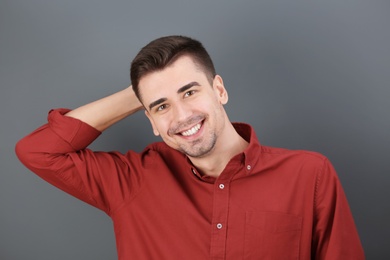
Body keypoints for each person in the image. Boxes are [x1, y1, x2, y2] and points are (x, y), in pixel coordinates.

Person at [15, 35, 365, 259]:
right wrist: (138, 93)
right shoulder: (131, 181)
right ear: (150, 121)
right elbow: (38, 151)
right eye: (161, 106)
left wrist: (155, 94)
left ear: (220, 91)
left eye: (189, 91)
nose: (182, 116)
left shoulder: (309, 174)